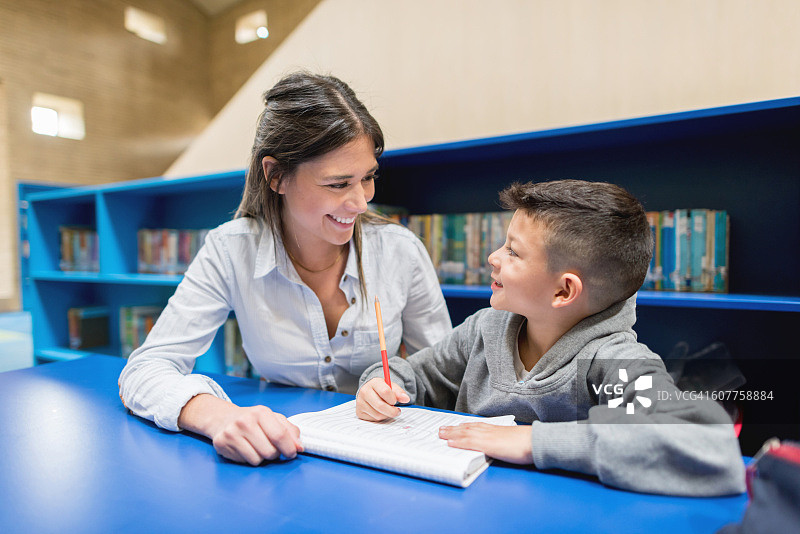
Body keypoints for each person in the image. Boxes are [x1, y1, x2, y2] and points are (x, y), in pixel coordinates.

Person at [118, 72, 452, 466]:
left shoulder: (401, 251)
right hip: (283, 454)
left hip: (384, 458)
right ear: (276, 176)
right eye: (337, 184)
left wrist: (399, 387)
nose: (361, 203)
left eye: (368, 178)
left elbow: (445, 372)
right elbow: (145, 368)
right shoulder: (231, 249)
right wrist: (218, 416)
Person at [357, 179, 746, 496]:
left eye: (513, 251)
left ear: (563, 291)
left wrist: (532, 442)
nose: (493, 257)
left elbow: (707, 443)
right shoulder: (483, 328)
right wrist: (381, 381)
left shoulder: (615, 359)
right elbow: (417, 376)